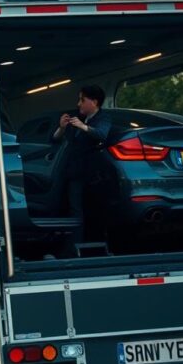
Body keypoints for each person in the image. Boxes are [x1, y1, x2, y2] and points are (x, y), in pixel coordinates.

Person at [53, 85, 111, 250]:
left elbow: (101, 135)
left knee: (92, 210)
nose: (78, 104)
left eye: (82, 100)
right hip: (74, 172)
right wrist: (62, 127)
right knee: (75, 210)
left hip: (93, 174)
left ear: (94, 102)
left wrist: (82, 126)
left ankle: (93, 244)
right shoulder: (76, 117)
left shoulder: (103, 117)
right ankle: (74, 246)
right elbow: (55, 139)